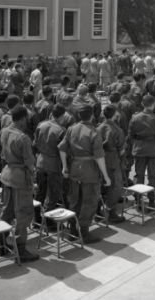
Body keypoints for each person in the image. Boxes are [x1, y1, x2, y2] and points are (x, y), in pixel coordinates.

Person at [59, 104, 111, 243]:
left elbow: (62, 148)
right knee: (90, 201)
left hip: (74, 168)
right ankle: (84, 231)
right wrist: (106, 176)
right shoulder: (94, 132)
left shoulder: (71, 129)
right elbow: (99, 157)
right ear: (92, 116)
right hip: (89, 171)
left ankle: (73, 230)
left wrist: (64, 167)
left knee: (75, 200)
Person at [0, 105, 40, 262]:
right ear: (23, 119)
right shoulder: (23, 138)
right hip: (20, 178)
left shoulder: (4, 131)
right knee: (23, 213)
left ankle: (2, 244)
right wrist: (33, 177)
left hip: (7, 174)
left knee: (7, 211)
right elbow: (29, 163)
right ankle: (20, 249)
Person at [128, 95, 155, 204]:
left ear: (142, 104)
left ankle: (137, 198)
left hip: (139, 149)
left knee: (138, 174)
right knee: (153, 175)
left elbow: (130, 135)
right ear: (154, 104)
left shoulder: (135, 117)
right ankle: (152, 200)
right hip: (153, 149)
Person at [34, 104, 67, 220]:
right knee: (52, 195)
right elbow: (63, 151)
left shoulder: (41, 125)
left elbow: (35, 144)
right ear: (62, 116)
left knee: (40, 192)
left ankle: (36, 218)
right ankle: (48, 221)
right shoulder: (62, 130)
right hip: (54, 165)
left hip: (40, 162)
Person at [96, 105, 126, 223]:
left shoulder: (98, 128)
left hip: (99, 158)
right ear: (114, 115)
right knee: (115, 186)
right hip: (112, 160)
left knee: (100, 185)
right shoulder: (117, 130)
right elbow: (121, 150)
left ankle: (97, 211)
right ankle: (111, 211)